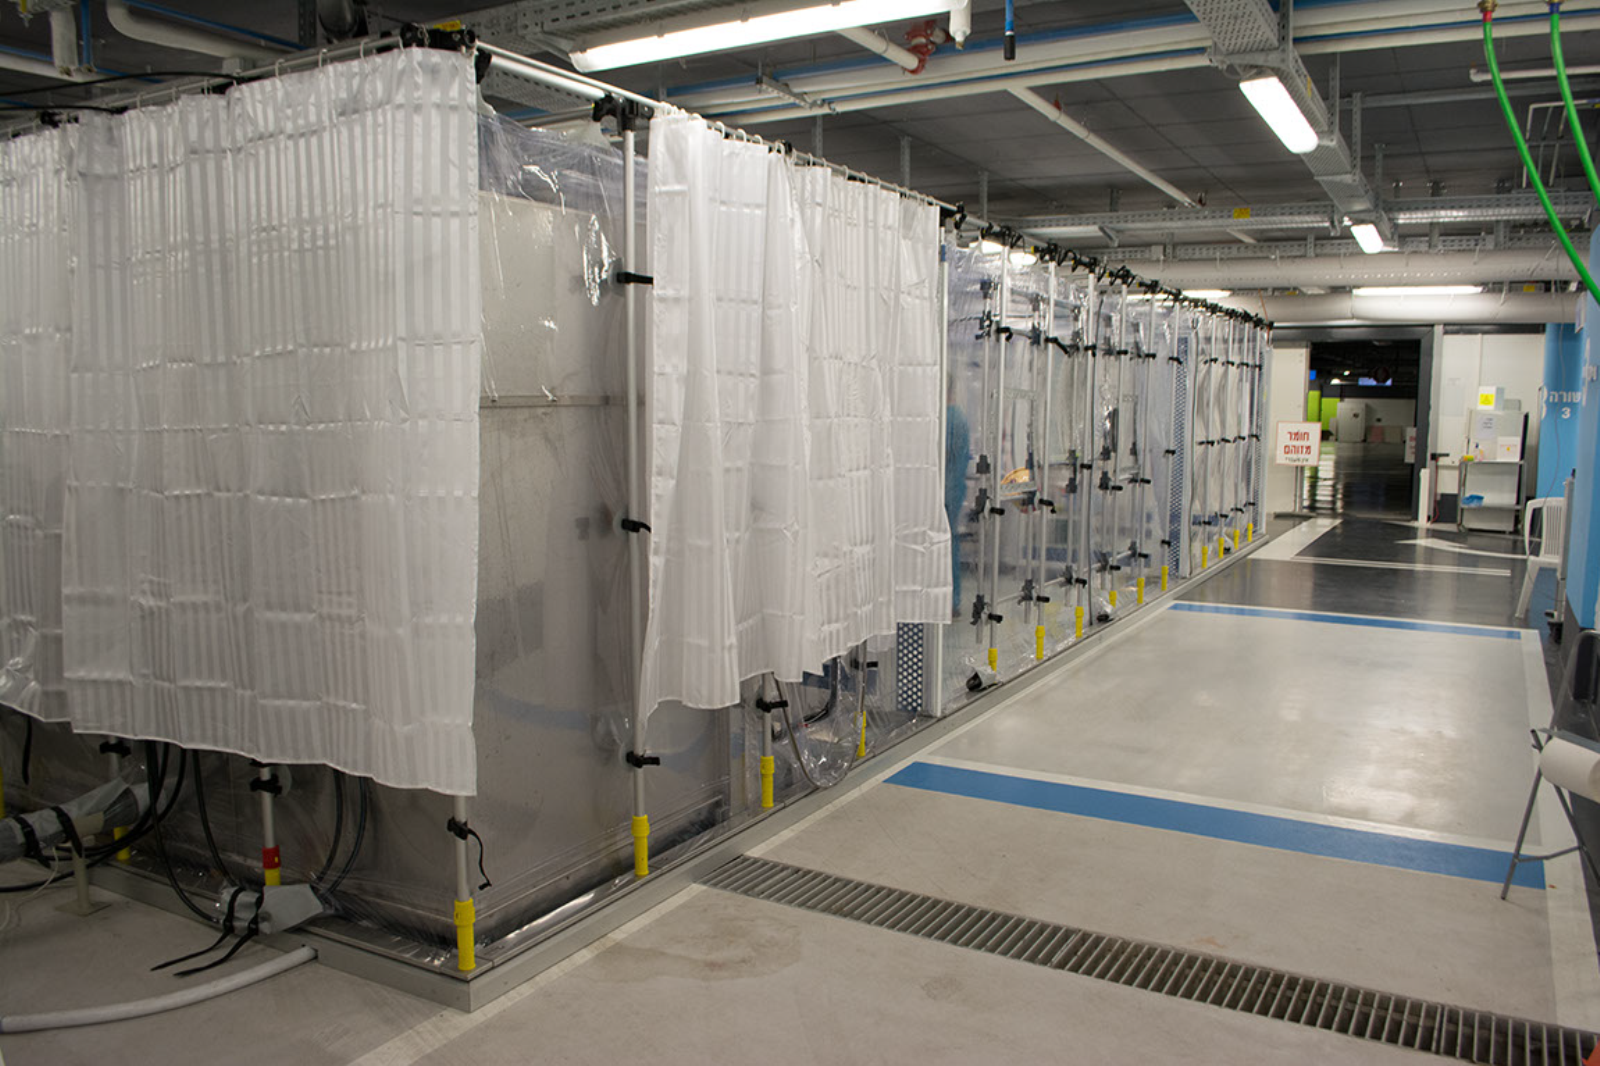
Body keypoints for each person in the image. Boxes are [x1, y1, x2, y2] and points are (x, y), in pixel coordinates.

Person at [945, 385, 971, 617]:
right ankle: (952, 599)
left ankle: (951, 601)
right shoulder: (959, 416)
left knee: (947, 546)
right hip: (954, 487)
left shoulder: (950, 418)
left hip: (947, 489)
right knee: (950, 544)